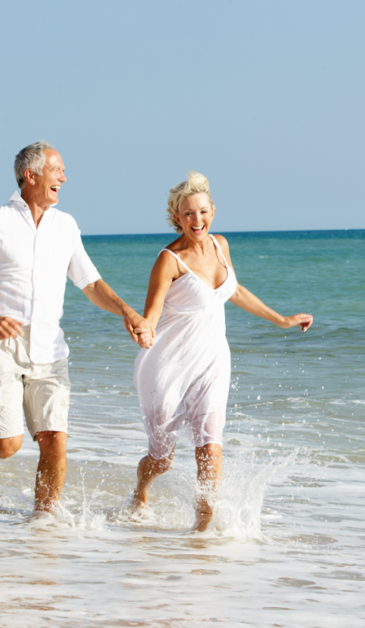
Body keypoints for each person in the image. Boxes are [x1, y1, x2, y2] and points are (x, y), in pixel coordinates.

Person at [0, 141, 152, 518]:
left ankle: (44, 522)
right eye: (57, 170)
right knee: (7, 446)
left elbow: (90, 283)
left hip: (51, 349)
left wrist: (126, 311)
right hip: (2, 344)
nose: (64, 178)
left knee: (54, 441)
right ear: (31, 175)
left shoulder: (65, 226)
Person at [131, 171, 312, 531]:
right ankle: (139, 491)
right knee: (162, 457)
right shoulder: (169, 260)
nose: (196, 220)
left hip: (212, 360)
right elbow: (150, 314)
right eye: (187, 214)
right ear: (177, 219)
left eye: (202, 212)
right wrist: (142, 330)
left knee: (210, 445)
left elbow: (235, 291)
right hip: (168, 363)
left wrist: (280, 320)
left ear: (212, 211)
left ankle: (203, 529)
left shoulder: (220, 245)